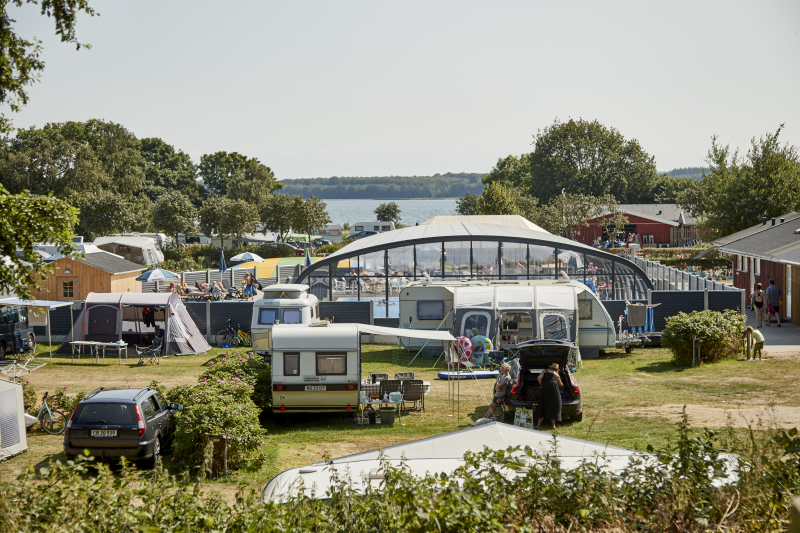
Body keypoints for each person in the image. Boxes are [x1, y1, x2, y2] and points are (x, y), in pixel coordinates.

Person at [534, 363, 563, 429]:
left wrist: (542, 384)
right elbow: (560, 384)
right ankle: (553, 425)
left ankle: (538, 425)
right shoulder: (557, 374)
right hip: (554, 390)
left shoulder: (546, 370)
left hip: (545, 389)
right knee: (554, 405)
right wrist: (563, 386)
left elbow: (539, 378)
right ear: (556, 369)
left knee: (542, 404)